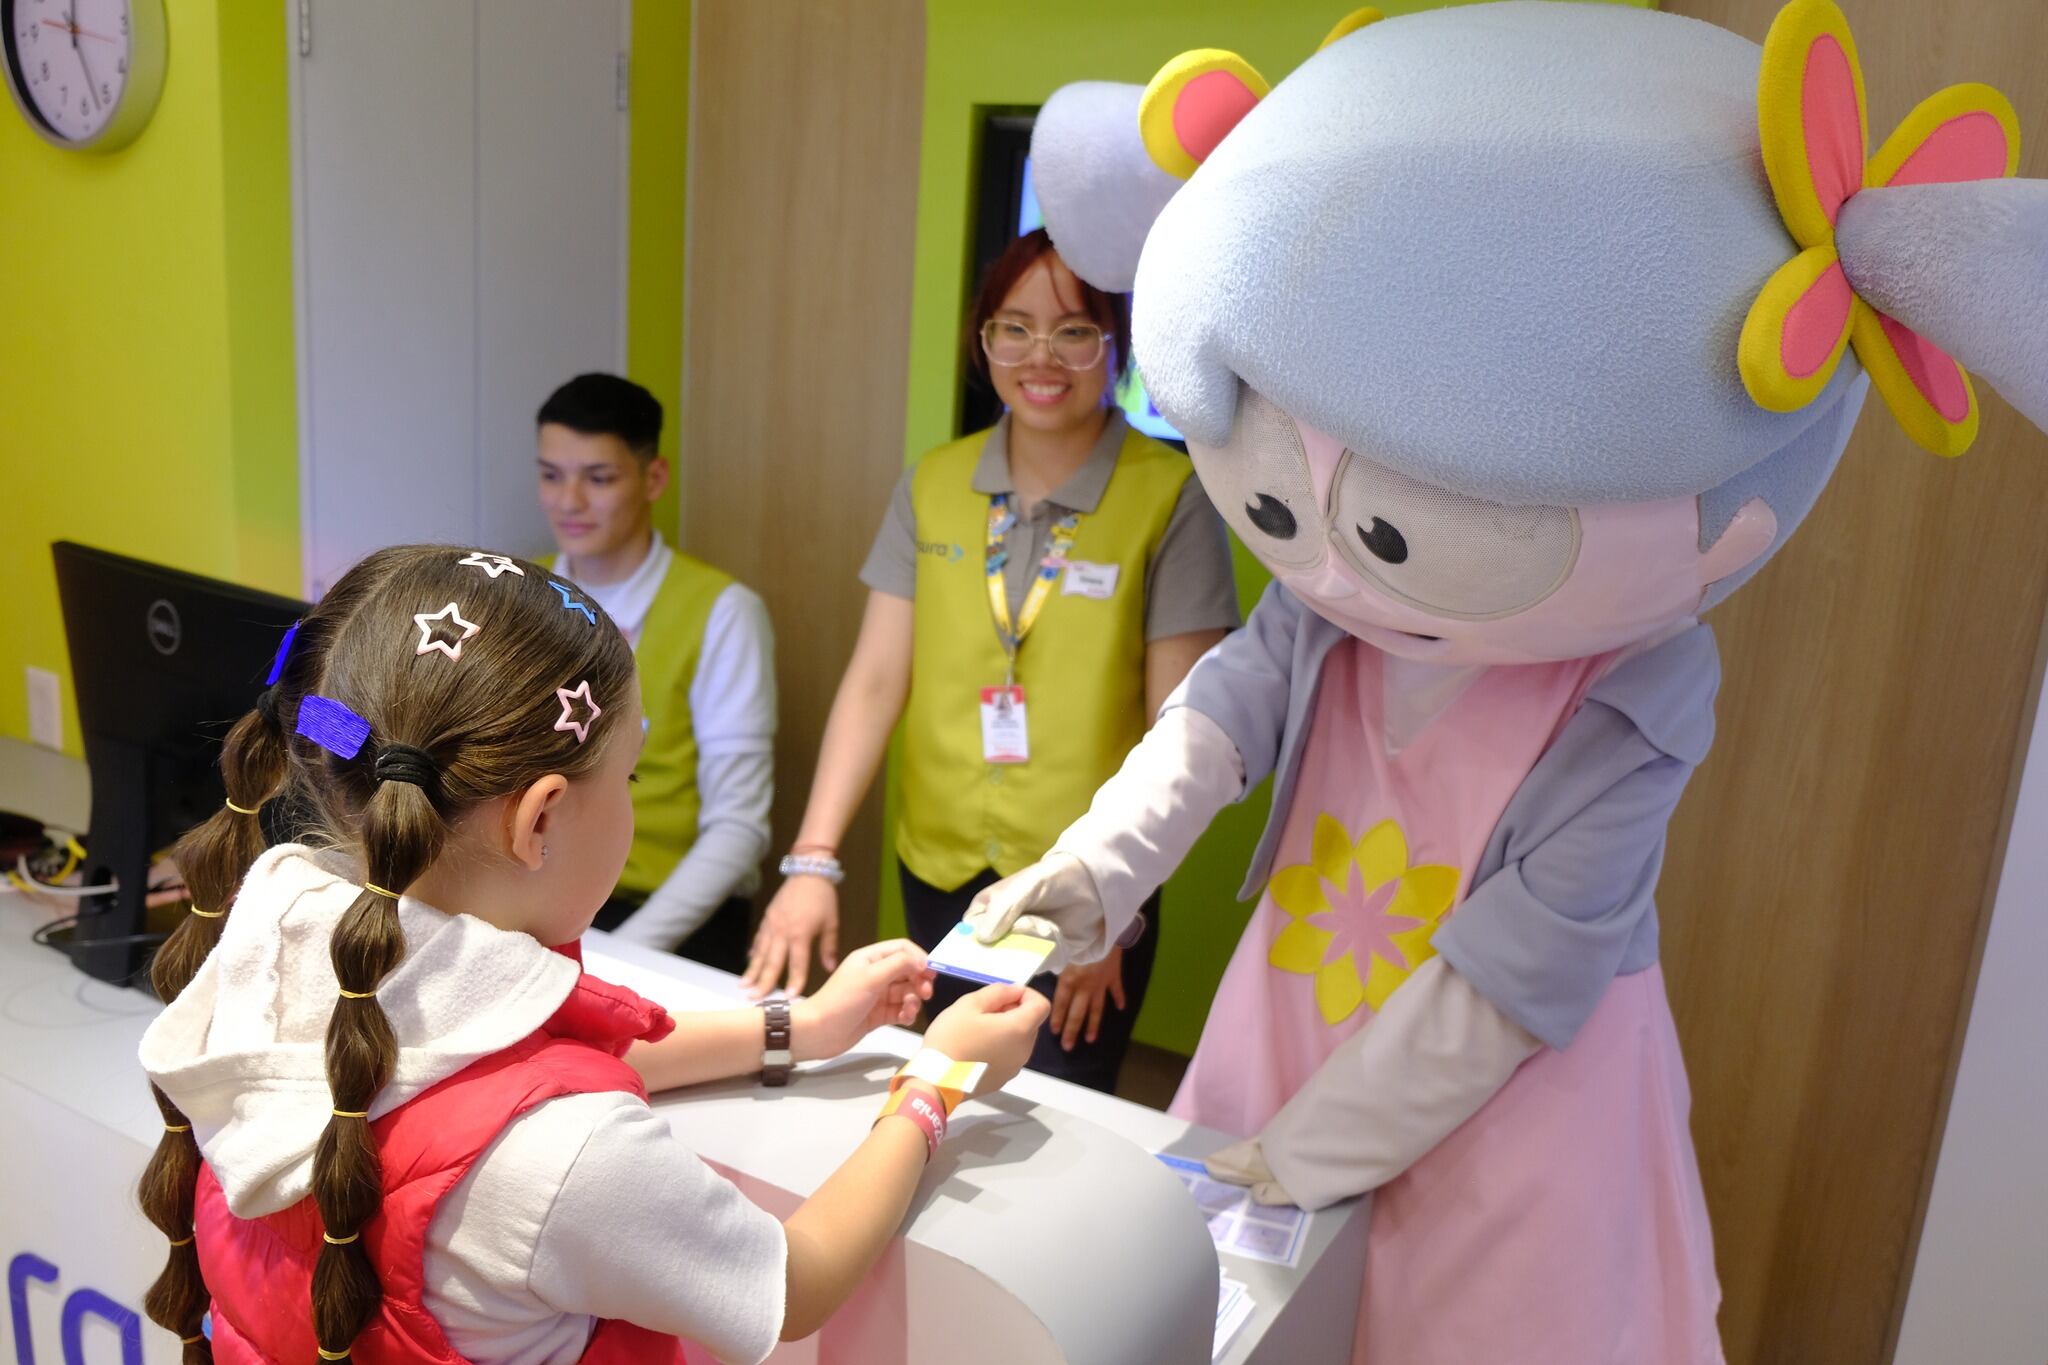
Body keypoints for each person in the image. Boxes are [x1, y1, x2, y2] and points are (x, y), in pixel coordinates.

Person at [972, 3, 2048, 1361]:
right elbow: (1217, 723)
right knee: (1262, 1319)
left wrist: (1322, 1142)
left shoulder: (1641, 684)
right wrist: (1095, 872)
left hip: (1518, 1093)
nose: (1349, 563)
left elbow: (1520, 964)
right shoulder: (1320, 614)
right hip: (1295, 1016)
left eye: (1408, 520)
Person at [135, 544, 1048, 1365]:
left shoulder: (274, 943)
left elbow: (480, 1065)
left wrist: (796, 1027)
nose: (634, 797)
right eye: (632, 775)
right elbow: (794, 1283)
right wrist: (934, 1082)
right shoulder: (572, 1161)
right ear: (540, 819)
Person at [743, 229, 1239, 1093]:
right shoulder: (933, 483)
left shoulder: (1174, 497)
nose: (1040, 356)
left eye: (1074, 331)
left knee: (1059, 1104)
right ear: (983, 340)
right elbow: (874, 679)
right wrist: (813, 859)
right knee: (939, 1086)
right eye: (1013, 328)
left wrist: (1116, 914)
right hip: (938, 856)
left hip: (1084, 875)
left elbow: (1182, 735)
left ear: (1119, 343)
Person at [536, 372, 772, 968]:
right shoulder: (519, 589)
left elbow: (738, 829)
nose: (570, 502)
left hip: (661, 917)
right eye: (550, 475)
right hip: (532, 905)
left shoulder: (722, 612)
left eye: (599, 478)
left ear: (653, 478)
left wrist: (624, 954)